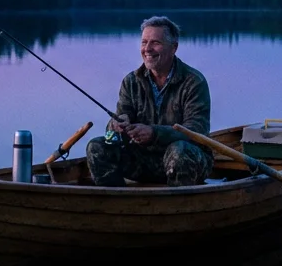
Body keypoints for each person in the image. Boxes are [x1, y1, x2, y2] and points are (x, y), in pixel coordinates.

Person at [86, 16, 214, 187]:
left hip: (185, 161)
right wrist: (116, 124)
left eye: (155, 43)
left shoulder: (193, 82)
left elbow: (196, 131)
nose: (147, 49)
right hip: (142, 161)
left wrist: (154, 133)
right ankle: (116, 205)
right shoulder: (131, 81)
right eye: (144, 42)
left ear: (173, 47)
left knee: (180, 151)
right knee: (96, 146)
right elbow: (114, 129)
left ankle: (176, 209)